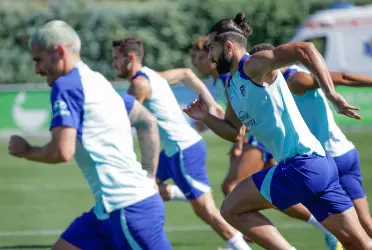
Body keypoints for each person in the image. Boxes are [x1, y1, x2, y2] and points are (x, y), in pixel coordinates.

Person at [184, 12, 372, 250]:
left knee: (231, 208)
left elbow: (305, 49)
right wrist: (205, 118)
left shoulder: (253, 65)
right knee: (359, 243)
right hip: (318, 165)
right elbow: (234, 132)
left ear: (228, 46)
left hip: (301, 166)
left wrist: (331, 93)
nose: (209, 55)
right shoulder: (232, 84)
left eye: (212, 47)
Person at [8, 20, 172, 250]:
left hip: (129, 210)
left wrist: (27, 151)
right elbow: (147, 121)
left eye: (38, 60)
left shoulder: (66, 86)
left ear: (58, 52)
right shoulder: (96, 81)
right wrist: (149, 176)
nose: (36, 69)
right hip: (108, 210)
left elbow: (62, 151)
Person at [112, 37, 252, 250]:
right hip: (173, 151)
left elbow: (128, 125)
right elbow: (187, 74)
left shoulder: (139, 85)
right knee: (141, 187)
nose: (113, 63)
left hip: (183, 150)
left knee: (205, 210)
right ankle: (184, 193)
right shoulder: (152, 75)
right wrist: (213, 104)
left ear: (130, 58)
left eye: (116, 59)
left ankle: (240, 247)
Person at [249, 43, 372, 239]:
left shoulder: (294, 79)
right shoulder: (277, 86)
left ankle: (255, 226)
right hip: (343, 152)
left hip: (326, 160)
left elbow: (341, 77)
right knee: (363, 224)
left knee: (348, 231)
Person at [160, 36, 276, 199]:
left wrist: (239, 144)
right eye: (193, 57)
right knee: (278, 191)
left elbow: (245, 110)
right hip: (255, 137)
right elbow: (232, 112)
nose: (195, 62)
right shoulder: (217, 81)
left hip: (258, 138)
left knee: (231, 188)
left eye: (200, 57)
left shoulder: (227, 78)